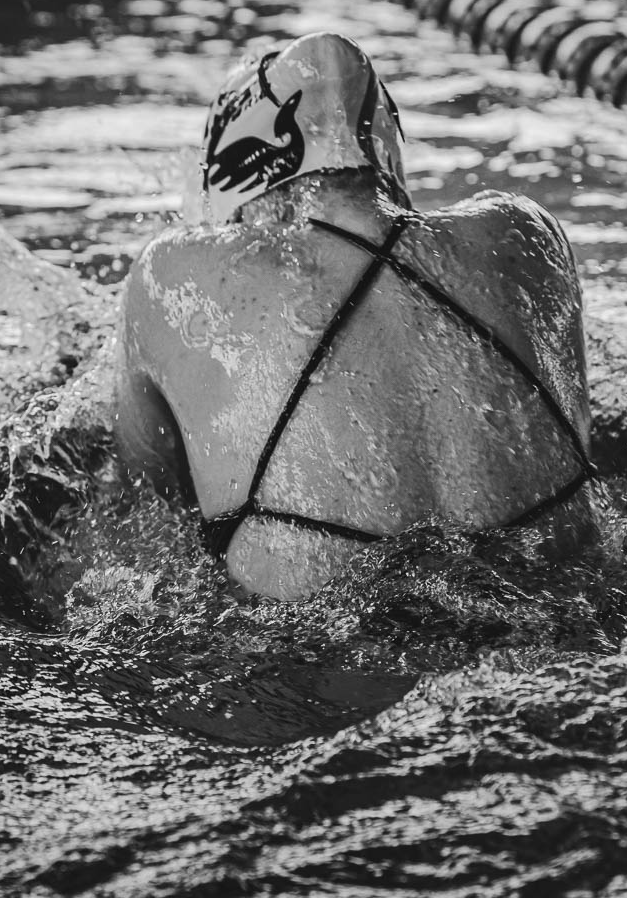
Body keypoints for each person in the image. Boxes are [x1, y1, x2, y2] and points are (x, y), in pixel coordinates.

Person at [115, 32, 597, 599]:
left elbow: (147, 492)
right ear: (388, 153)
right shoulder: (520, 233)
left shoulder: (172, 273)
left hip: (322, 648)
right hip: (563, 600)